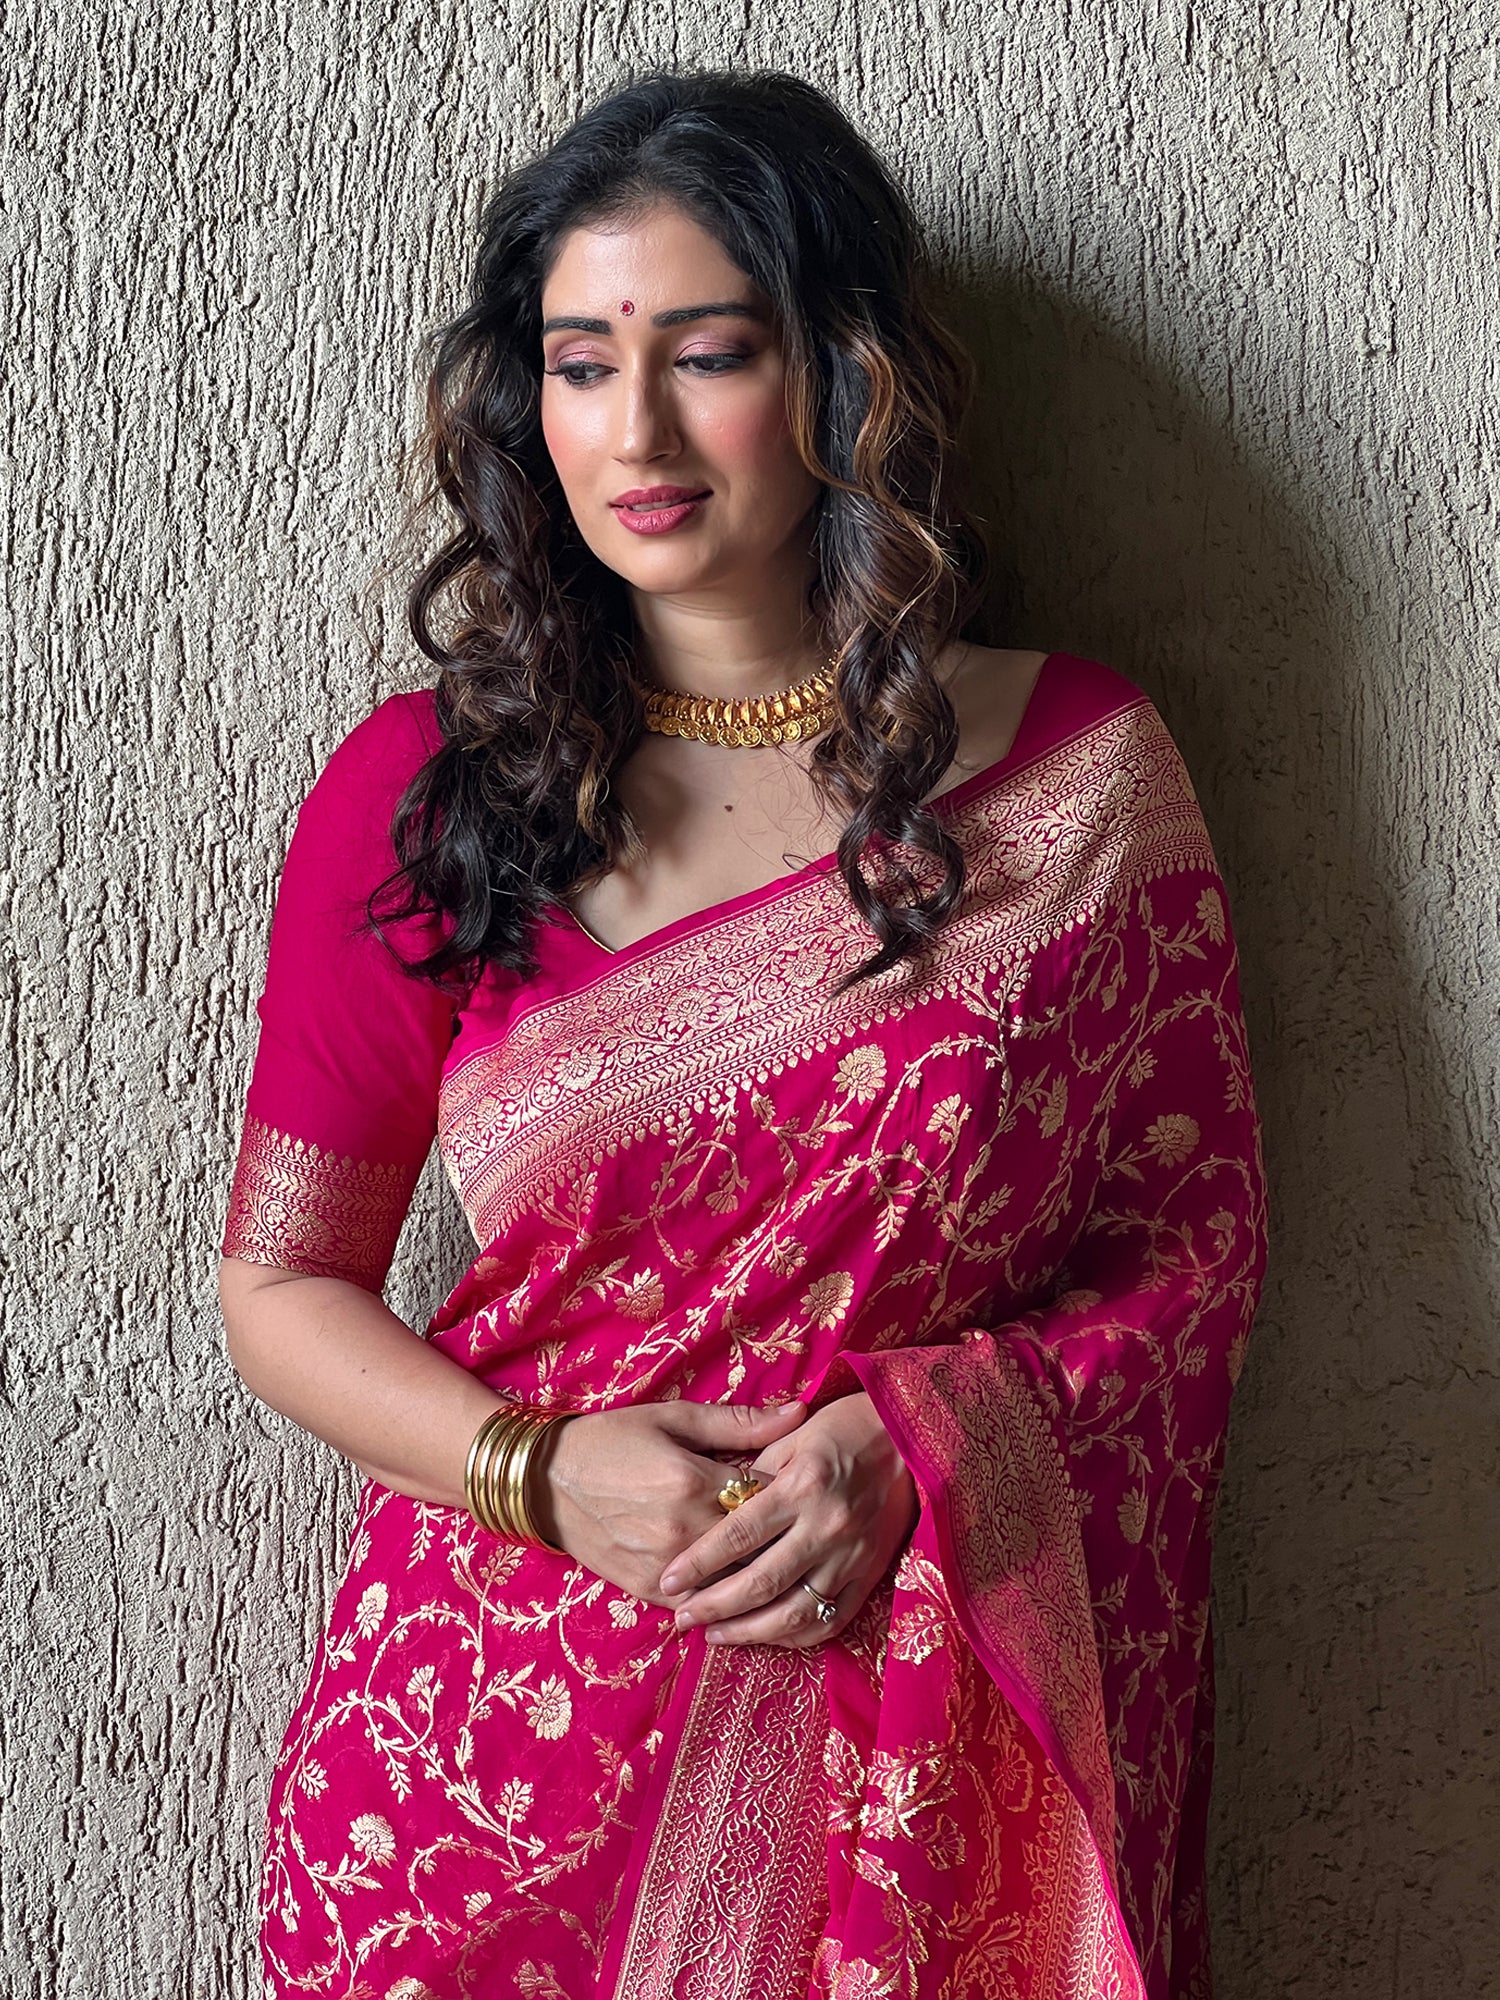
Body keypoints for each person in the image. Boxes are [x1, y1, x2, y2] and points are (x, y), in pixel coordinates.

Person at [219, 66, 1267, 2000]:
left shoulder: (1075, 779)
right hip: (485, 1789)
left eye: (705, 354)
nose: (635, 429)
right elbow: (282, 1284)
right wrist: (542, 1469)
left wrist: (922, 1444)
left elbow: (1187, 1262)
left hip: (919, 1787)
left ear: (845, 376)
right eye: (576, 361)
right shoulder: (427, 793)